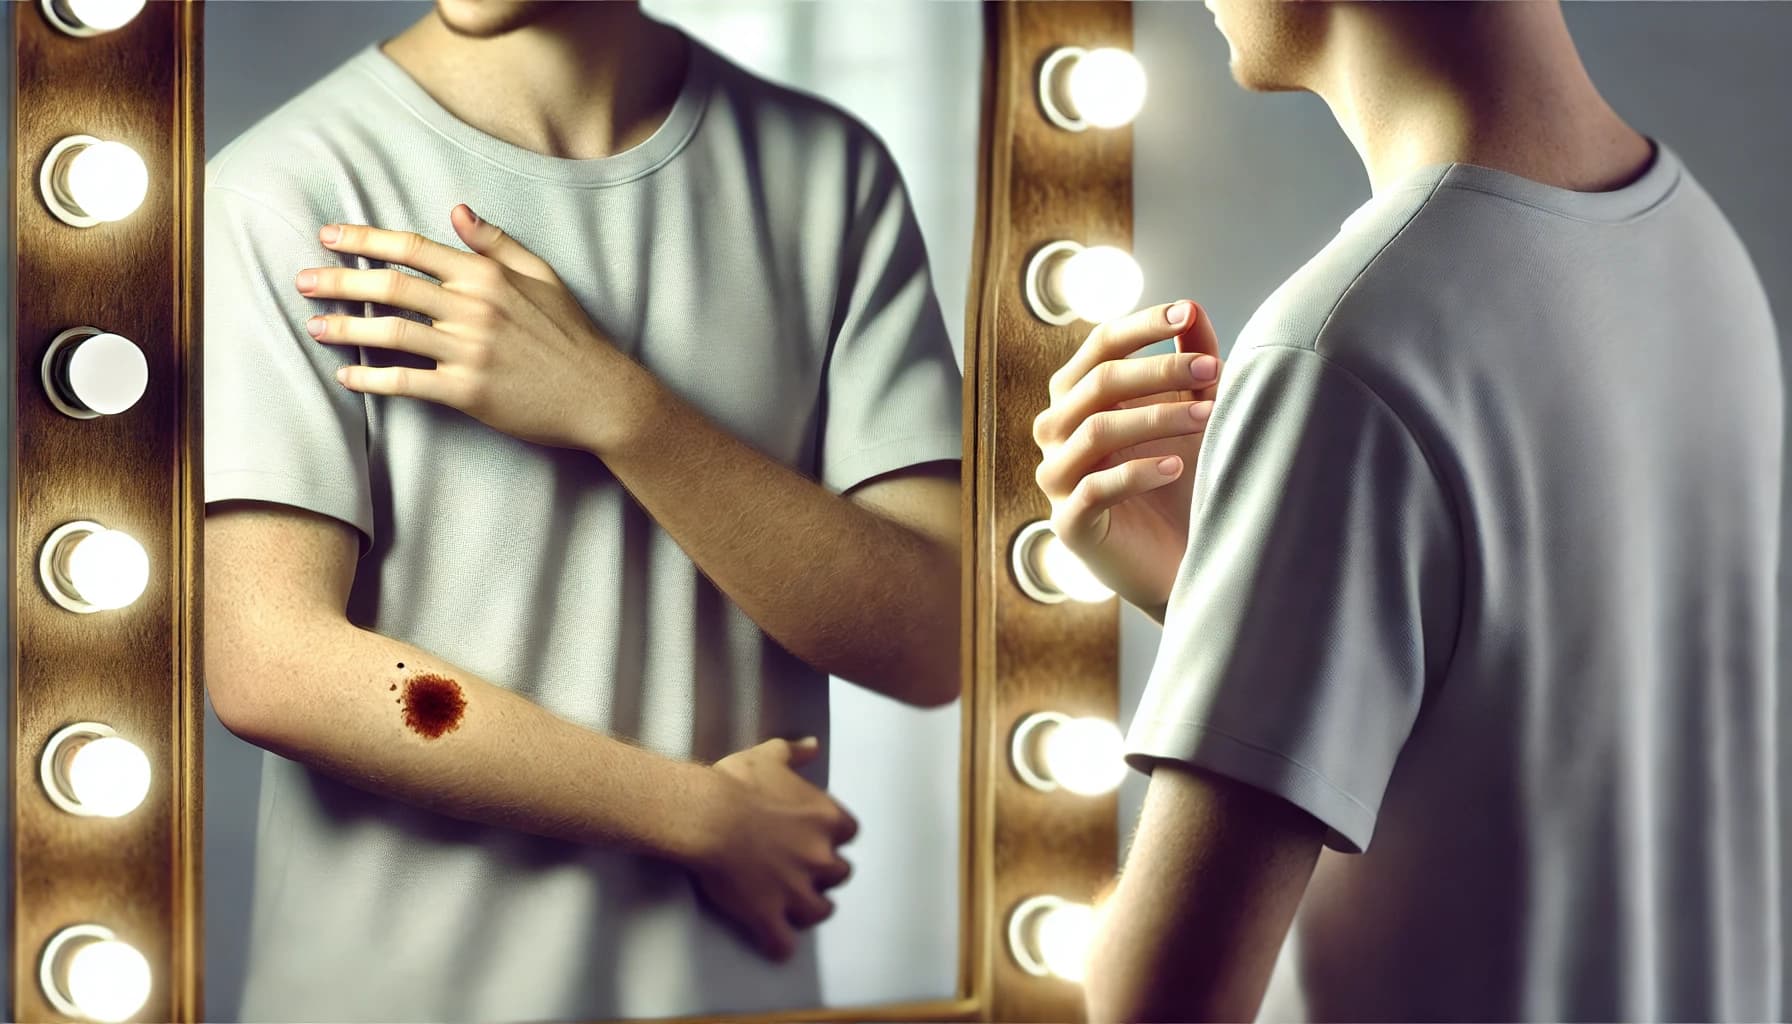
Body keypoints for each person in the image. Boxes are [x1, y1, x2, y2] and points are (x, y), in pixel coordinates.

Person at [202, 2, 963, 1021]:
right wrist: (695, 813)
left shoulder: (829, 176)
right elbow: (275, 663)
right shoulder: (289, 191)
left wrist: (623, 410)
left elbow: (935, 640)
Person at [1033, 2, 1781, 1020]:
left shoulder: (1347, 350)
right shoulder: (1696, 248)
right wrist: (1218, 598)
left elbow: (1154, 999)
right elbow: (1510, 765)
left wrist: (1223, 637)